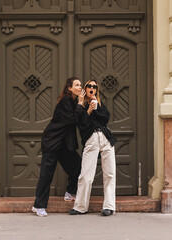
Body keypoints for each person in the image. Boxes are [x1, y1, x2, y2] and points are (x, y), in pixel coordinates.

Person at [32, 77, 84, 217]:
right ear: (69, 88)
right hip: (53, 142)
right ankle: (38, 206)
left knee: (77, 166)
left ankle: (70, 192)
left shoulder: (73, 101)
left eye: (80, 85)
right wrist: (80, 104)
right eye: (77, 85)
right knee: (46, 175)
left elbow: (79, 119)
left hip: (64, 144)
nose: (80, 87)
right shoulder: (66, 101)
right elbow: (72, 119)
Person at [69, 79, 117, 216]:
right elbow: (80, 124)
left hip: (106, 139)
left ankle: (109, 206)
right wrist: (88, 110)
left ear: (96, 90)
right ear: (85, 89)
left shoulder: (99, 104)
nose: (92, 88)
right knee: (86, 175)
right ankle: (80, 207)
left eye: (94, 87)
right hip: (91, 140)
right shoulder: (80, 106)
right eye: (89, 86)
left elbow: (106, 118)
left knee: (110, 173)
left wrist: (96, 107)